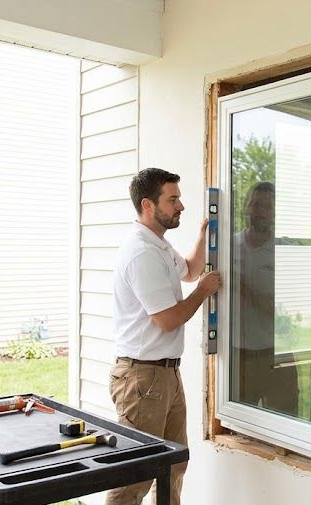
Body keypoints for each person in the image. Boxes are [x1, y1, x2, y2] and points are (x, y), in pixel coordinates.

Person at [107, 167, 221, 505]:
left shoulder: (158, 245)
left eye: (179, 199)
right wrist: (203, 292)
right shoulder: (141, 253)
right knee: (135, 476)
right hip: (142, 379)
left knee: (172, 466)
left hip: (165, 374)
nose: (180, 206)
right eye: (172, 200)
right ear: (148, 205)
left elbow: (190, 269)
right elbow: (168, 320)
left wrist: (204, 235)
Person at [233, 181, 299, 418]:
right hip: (238, 356)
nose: (260, 211)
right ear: (246, 207)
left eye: (267, 207)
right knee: (240, 425)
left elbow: (278, 311)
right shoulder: (229, 246)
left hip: (276, 354)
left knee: (286, 423)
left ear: (275, 213)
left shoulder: (283, 251)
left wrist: (241, 285)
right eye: (255, 204)